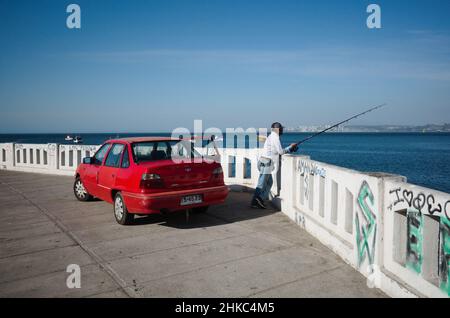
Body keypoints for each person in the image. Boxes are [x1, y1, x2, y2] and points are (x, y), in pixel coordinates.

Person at [251, 122, 298, 209]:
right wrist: (290, 148)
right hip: (267, 162)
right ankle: (255, 201)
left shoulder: (270, 136)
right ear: (278, 129)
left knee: (269, 182)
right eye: (281, 129)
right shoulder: (275, 137)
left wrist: (290, 148)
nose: (282, 130)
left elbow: (275, 151)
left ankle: (260, 199)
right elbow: (280, 152)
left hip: (263, 161)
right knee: (261, 183)